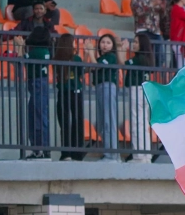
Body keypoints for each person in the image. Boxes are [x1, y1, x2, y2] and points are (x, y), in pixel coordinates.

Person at [22, 21, 55, 159]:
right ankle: (40, 149)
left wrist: (20, 47)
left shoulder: (38, 52)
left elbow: (21, 60)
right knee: (36, 115)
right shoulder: (45, 51)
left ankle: (41, 149)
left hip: (37, 84)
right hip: (39, 85)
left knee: (38, 117)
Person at [90, 33, 124, 161]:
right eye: (103, 42)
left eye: (108, 42)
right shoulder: (102, 57)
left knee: (108, 120)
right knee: (102, 121)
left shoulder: (111, 57)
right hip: (100, 88)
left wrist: (89, 53)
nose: (105, 45)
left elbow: (96, 66)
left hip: (107, 87)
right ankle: (109, 152)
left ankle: (112, 154)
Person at [52, 32, 86, 160]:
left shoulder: (57, 59)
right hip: (75, 92)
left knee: (64, 123)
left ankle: (66, 153)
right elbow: (80, 74)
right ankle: (77, 153)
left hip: (63, 93)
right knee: (77, 121)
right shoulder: (76, 58)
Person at [123, 34, 154, 162]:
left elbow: (123, 64)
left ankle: (139, 155)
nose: (134, 44)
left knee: (136, 123)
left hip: (137, 90)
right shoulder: (147, 58)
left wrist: (123, 50)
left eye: (136, 42)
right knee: (143, 123)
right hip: (146, 90)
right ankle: (146, 155)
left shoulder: (138, 58)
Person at [131, 0, 167, 67]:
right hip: (143, 30)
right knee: (146, 55)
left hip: (155, 31)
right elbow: (138, 12)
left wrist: (163, 9)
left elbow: (162, 15)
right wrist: (151, 4)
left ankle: (156, 73)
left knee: (160, 56)